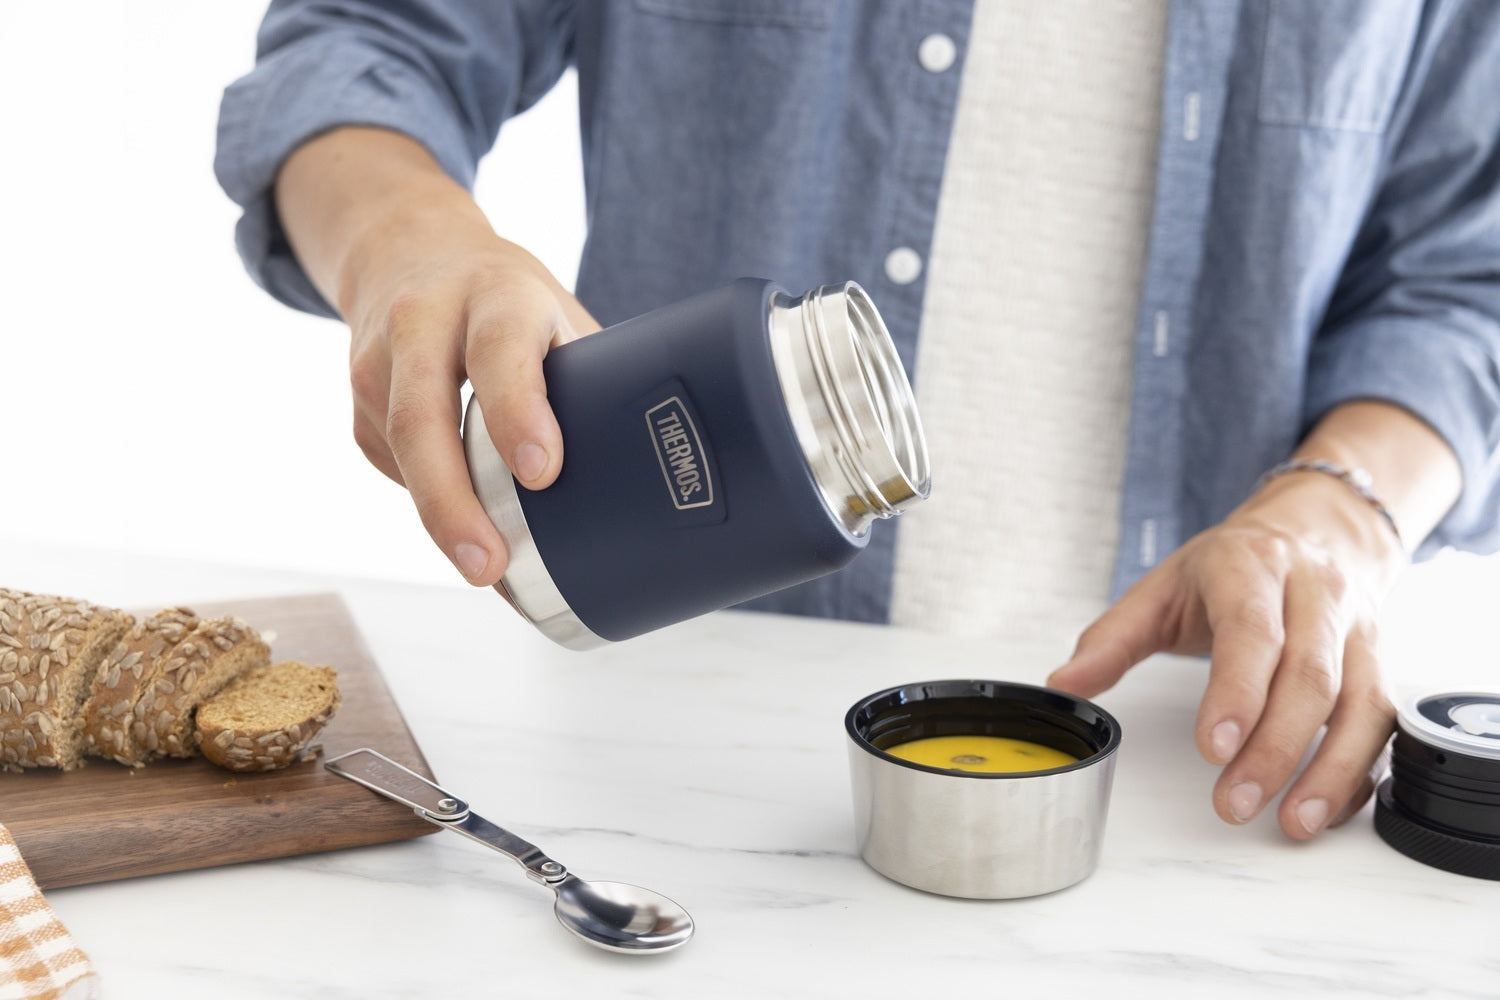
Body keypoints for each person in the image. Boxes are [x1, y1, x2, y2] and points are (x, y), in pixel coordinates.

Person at [215, 1, 1500, 842]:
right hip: (666, 753)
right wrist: (408, 237)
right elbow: (363, 44)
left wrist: (1343, 504)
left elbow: (1463, 283)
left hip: (1183, 771)